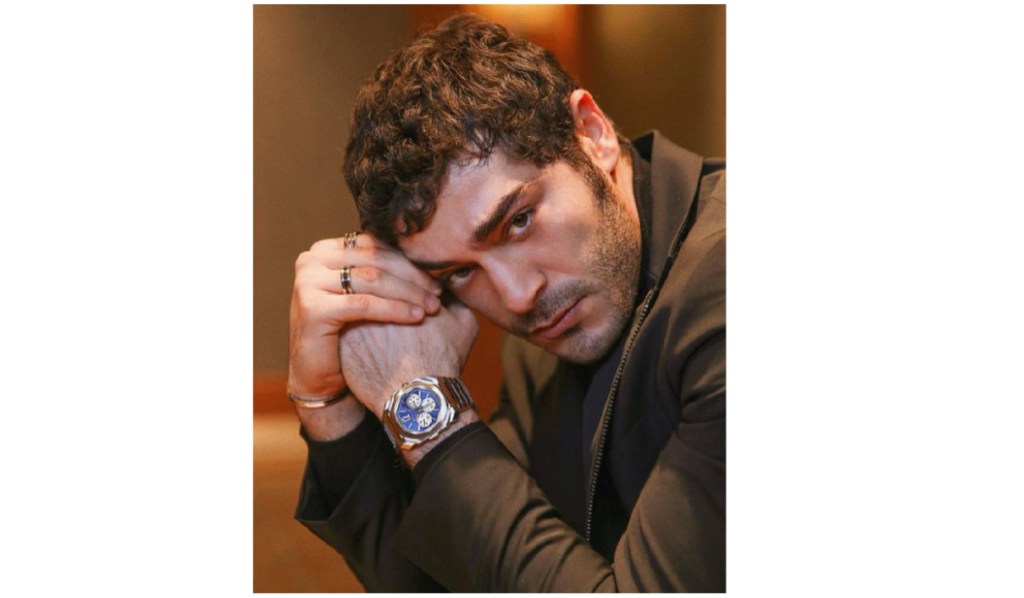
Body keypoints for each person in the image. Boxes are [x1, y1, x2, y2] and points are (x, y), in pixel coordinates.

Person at [287, 14, 725, 592]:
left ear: (591, 133)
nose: (518, 298)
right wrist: (326, 403)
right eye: (460, 272)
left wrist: (434, 421)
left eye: (518, 221)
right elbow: (459, 577)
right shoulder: (551, 326)